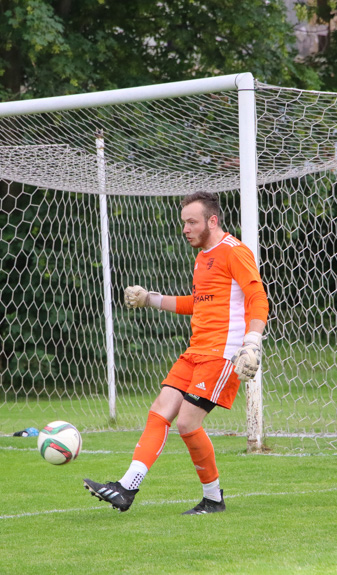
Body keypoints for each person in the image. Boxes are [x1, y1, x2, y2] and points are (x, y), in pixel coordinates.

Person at [83, 191, 269, 515]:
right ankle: (127, 487)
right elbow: (197, 303)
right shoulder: (202, 258)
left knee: (186, 423)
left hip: (221, 354)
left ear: (212, 220)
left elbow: (258, 297)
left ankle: (213, 499)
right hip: (196, 350)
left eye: (192, 221)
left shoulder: (234, 252)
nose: (185, 228)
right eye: (184, 222)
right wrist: (149, 299)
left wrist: (252, 341)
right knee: (160, 409)